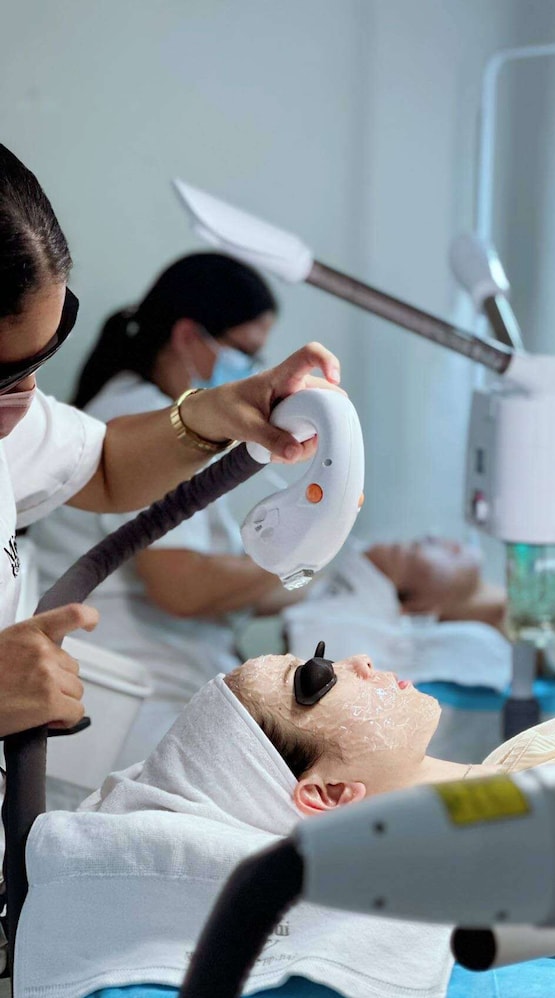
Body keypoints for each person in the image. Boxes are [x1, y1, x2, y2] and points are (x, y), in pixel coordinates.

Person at [29, 255, 506, 771]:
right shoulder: (136, 417)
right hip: (125, 697)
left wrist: (318, 560)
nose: (252, 366)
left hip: (163, 681)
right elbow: (182, 587)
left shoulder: (366, 594)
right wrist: (310, 547)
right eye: (246, 350)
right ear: (188, 337)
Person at [0, 141, 343, 742]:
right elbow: (182, 585)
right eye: (5, 374)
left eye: (40, 360)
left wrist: (213, 413)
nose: (28, 396)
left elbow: (104, 467)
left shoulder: (18, 429)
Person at [15, 653, 555, 998]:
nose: (361, 662)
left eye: (321, 657)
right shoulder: (510, 862)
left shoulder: (522, 771)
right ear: (328, 794)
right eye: (315, 680)